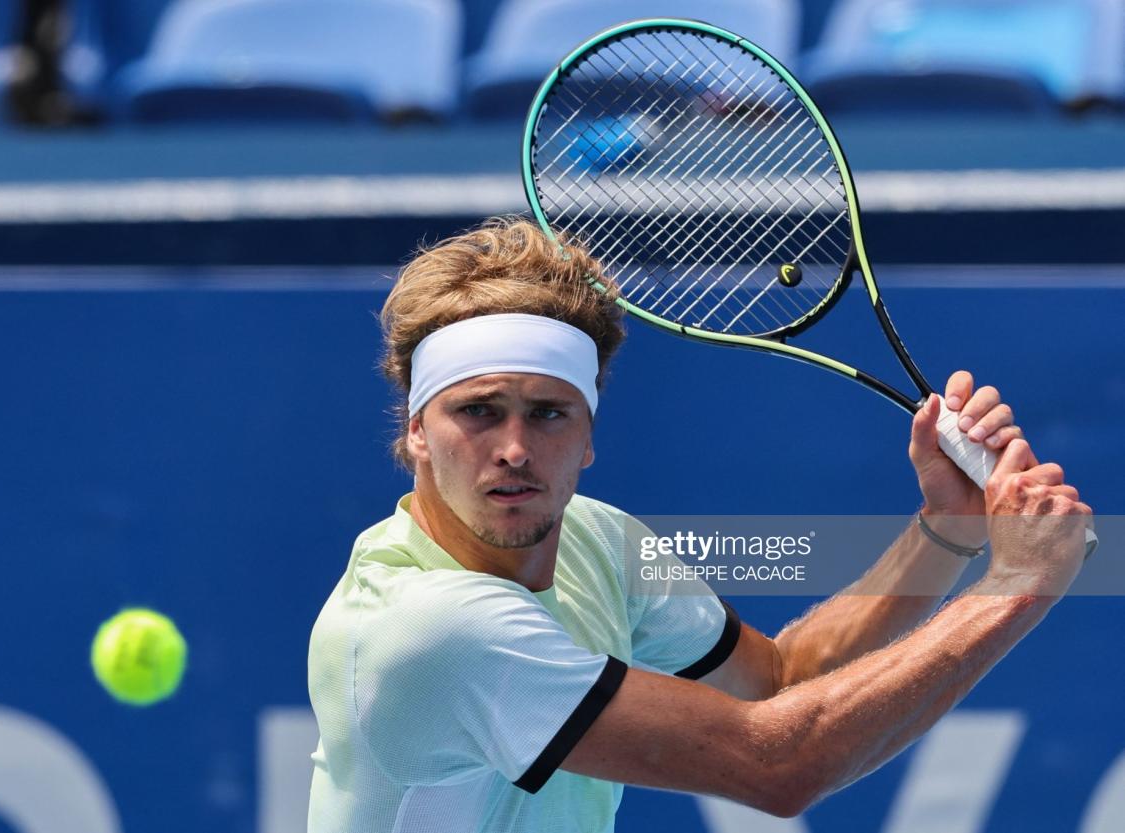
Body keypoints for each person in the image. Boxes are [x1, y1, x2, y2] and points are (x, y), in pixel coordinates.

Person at [306, 217, 1092, 832]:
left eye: (548, 414)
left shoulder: (597, 540)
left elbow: (781, 680)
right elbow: (778, 763)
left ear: (588, 437)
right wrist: (1015, 584)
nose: (514, 449)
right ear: (415, 428)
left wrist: (947, 524)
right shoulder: (428, 625)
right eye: (477, 411)